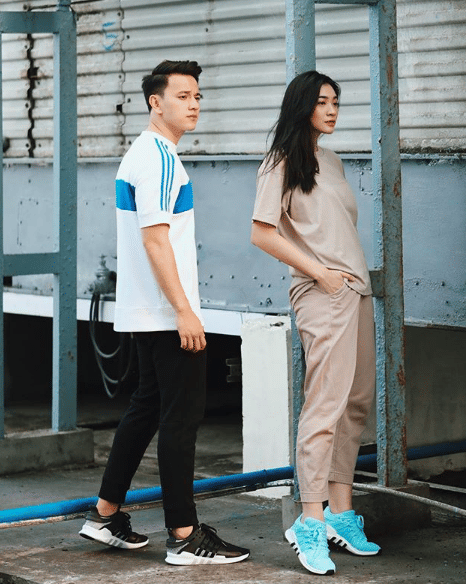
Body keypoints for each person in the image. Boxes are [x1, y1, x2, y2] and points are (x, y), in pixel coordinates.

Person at [79, 60, 249, 566]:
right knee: (181, 419)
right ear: (156, 102)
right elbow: (156, 241)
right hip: (164, 313)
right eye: (183, 96)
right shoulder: (158, 158)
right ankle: (184, 535)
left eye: (198, 96)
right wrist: (184, 311)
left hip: (147, 311)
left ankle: (104, 515)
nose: (194, 105)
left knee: (148, 410)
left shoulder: (146, 153)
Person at [251, 70, 380, 576]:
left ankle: (341, 512)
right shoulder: (280, 162)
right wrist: (321, 273)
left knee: (356, 401)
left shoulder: (332, 160)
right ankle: (309, 519)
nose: (331, 110)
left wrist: (345, 280)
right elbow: (262, 233)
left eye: (336, 103)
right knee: (324, 403)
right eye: (322, 102)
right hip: (322, 293)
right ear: (301, 106)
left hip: (355, 291)